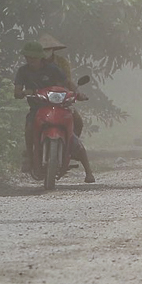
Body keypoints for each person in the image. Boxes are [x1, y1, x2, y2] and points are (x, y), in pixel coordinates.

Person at [14, 41, 94, 182]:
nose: (31, 60)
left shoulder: (54, 68)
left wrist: (78, 93)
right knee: (29, 128)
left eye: (34, 57)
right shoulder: (22, 71)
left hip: (60, 106)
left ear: (40, 57)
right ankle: (30, 157)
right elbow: (17, 91)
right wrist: (22, 92)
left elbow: (67, 83)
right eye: (28, 57)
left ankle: (88, 170)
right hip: (37, 108)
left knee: (76, 124)